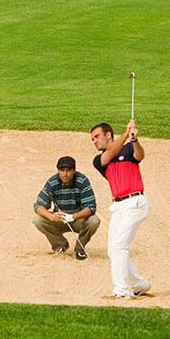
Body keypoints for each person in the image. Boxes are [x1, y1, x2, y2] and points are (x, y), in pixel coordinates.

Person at [91, 119, 150, 298]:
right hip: (118, 206)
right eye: (92, 139)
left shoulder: (128, 148)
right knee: (113, 249)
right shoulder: (99, 160)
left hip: (135, 202)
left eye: (96, 137)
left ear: (108, 135)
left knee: (118, 247)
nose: (94, 141)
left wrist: (134, 140)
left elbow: (140, 156)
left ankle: (122, 290)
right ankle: (139, 284)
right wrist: (126, 134)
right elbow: (111, 153)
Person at [32, 156, 101, 260]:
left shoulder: (82, 181)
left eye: (68, 170)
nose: (65, 174)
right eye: (62, 170)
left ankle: (79, 249)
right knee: (37, 220)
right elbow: (38, 206)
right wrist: (50, 216)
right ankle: (60, 245)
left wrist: (73, 216)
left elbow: (91, 207)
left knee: (94, 221)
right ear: (58, 170)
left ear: (73, 170)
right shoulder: (52, 182)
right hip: (59, 219)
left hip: (78, 218)